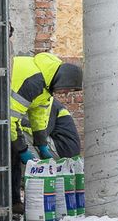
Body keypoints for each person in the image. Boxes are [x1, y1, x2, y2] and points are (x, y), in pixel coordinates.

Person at [9, 53, 83, 205]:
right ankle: (11, 200)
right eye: (67, 89)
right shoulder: (35, 82)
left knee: (14, 153)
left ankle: (14, 201)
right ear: (63, 80)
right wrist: (23, 150)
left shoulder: (46, 88)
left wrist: (41, 144)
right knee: (12, 152)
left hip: (4, 107)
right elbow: (11, 118)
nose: (65, 94)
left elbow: (38, 117)